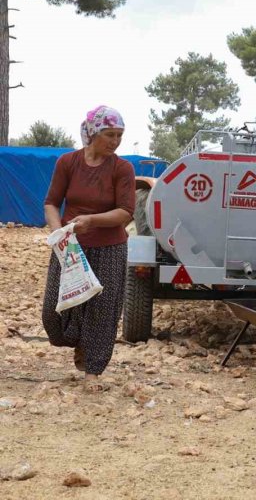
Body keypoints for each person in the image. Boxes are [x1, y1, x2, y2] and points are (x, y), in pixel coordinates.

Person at [41, 105, 135, 392]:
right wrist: (58, 231)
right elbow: (51, 203)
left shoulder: (122, 169)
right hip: (70, 247)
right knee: (53, 313)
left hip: (109, 248)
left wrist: (93, 220)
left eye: (119, 135)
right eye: (110, 134)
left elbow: (126, 212)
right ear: (93, 133)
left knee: (101, 311)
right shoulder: (67, 163)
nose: (115, 141)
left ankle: (92, 370)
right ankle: (77, 340)